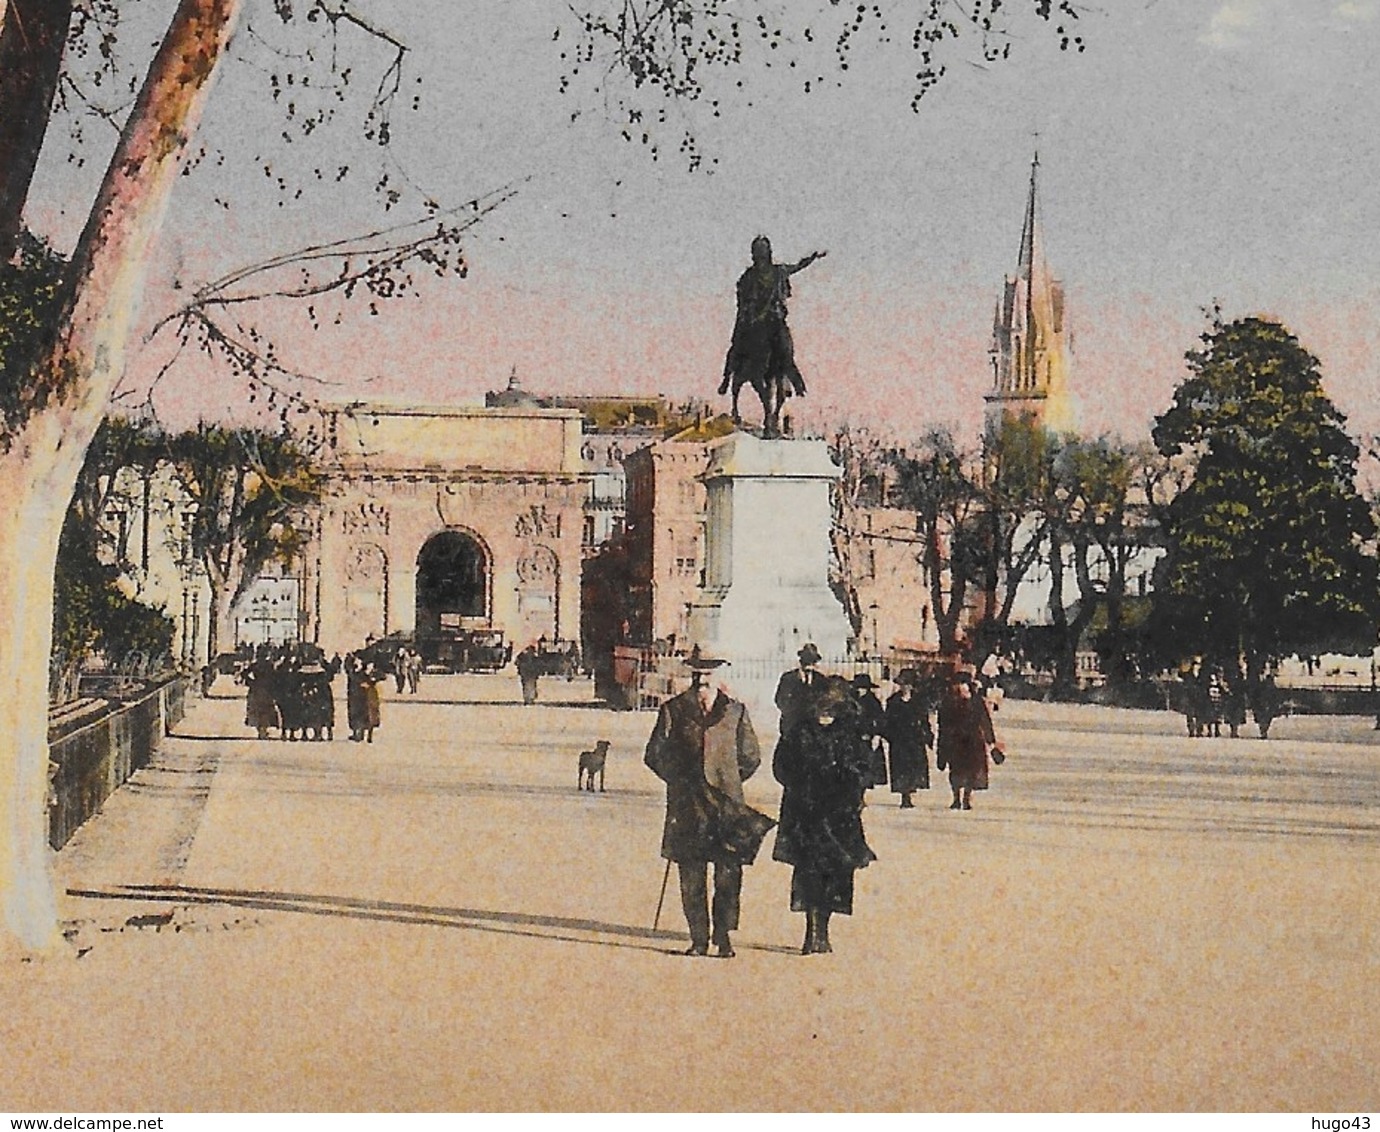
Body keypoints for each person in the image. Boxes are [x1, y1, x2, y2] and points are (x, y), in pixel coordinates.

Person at [644, 647, 769, 959]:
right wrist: (680, 779)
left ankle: (724, 936)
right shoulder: (673, 710)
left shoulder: (736, 711)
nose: (702, 677)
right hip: (688, 805)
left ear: (719, 673)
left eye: (709, 671)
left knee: (728, 874)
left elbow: (751, 756)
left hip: (726, 807)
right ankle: (698, 938)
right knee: (691, 875)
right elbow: (655, 754)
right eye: (697, 671)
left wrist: (727, 781)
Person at [772, 675, 877, 955]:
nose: (825, 716)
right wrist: (800, 782)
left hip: (840, 813)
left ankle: (824, 929)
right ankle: (812, 930)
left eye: (831, 710)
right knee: (809, 871)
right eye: (821, 709)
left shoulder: (850, 734)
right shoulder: (798, 732)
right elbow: (780, 766)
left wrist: (853, 782)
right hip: (805, 812)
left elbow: (867, 768)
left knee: (836, 871)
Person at [720, 236, 827, 435]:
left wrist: (812, 258)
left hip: (774, 320)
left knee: (785, 347)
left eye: (762, 250)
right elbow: (742, 298)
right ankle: (727, 379)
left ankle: (793, 378)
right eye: (758, 250)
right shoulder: (748, 276)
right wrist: (747, 311)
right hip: (755, 322)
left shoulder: (778, 271)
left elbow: (797, 267)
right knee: (736, 345)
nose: (760, 254)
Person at [936, 669, 1003, 811]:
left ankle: (966, 798)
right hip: (955, 741)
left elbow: (985, 721)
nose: (959, 687)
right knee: (955, 771)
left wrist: (991, 740)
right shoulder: (948, 702)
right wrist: (942, 745)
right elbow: (943, 724)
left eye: (962, 684)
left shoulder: (976, 701)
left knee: (971, 771)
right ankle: (956, 798)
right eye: (957, 684)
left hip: (973, 741)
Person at [885, 668, 934, 809]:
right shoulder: (892, 701)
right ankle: (904, 796)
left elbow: (924, 720)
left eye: (907, 684)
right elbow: (888, 721)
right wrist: (889, 736)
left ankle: (910, 792)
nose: (904, 687)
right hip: (899, 739)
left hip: (915, 739)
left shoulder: (919, 701)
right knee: (901, 768)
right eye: (902, 684)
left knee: (914, 766)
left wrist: (928, 735)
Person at [775, 643, 824, 739]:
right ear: (801, 661)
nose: (808, 665)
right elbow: (780, 700)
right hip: (791, 726)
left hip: (813, 729)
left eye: (812, 661)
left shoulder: (820, 680)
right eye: (806, 661)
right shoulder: (788, 678)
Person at [850, 673, 888, 789]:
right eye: (858, 688)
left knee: (866, 769)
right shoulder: (851, 701)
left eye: (863, 688)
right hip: (852, 738)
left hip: (867, 739)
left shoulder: (873, 702)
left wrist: (876, 735)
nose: (860, 691)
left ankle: (862, 793)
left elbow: (881, 719)